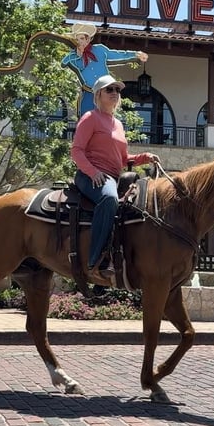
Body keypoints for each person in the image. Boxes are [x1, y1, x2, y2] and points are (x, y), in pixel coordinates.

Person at [71, 75, 159, 281]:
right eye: (109, 90)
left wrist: (145, 157)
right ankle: (95, 261)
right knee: (109, 199)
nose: (115, 94)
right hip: (89, 176)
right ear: (98, 94)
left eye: (117, 90)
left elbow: (122, 159)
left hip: (112, 176)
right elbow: (76, 151)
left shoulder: (118, 124)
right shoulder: (90, 117)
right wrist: (93, 172)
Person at [62, 22, 148, 117]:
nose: (80, 42)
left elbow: (117, 55)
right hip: (89, 93)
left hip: (104, 92)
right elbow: (65, 63)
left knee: (106, 121)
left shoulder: (99, 49)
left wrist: (135, 54)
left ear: (88, 39)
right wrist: (78, 55)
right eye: (77, 39)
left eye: (82, 38)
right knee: (85, 119)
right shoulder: (73, 56)